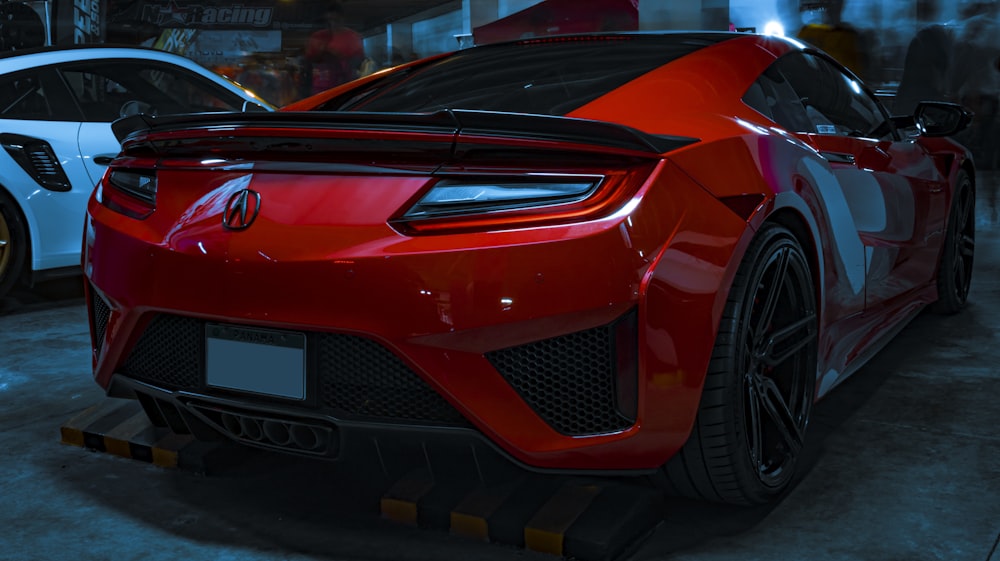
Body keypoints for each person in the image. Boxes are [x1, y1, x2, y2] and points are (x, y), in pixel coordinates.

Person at [303, 2, 365, 95]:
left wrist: (338, 57)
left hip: (344, 87)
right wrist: (322, 53)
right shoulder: (318, 36)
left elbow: (358, 61)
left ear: (343, 19)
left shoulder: (352, 37)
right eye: (329, 20)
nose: (333, 23)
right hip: (319, 88)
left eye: (336, 20)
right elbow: (308, 61)